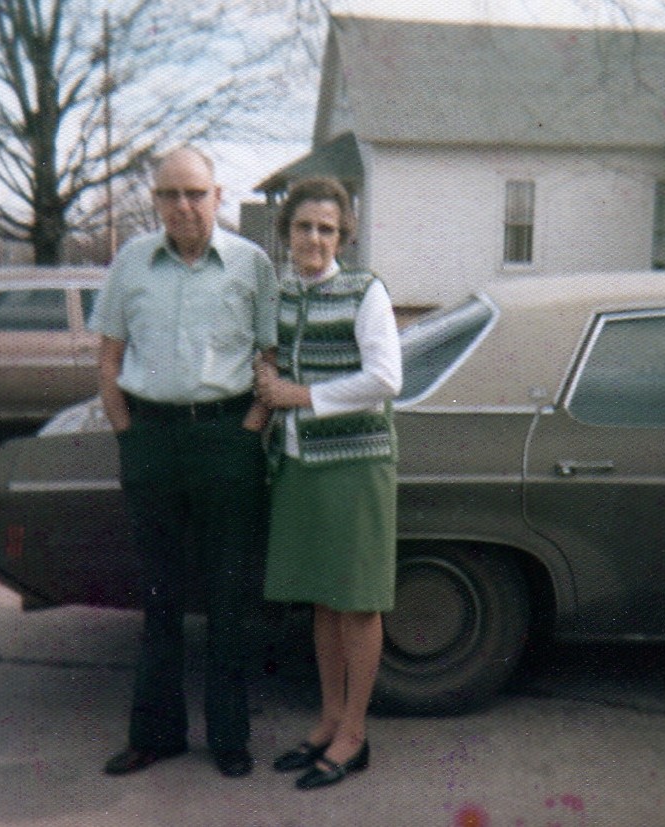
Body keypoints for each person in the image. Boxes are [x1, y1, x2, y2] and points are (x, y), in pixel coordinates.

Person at [92, 145, 277, 779]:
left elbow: (269, 360)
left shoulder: (251, 264)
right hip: (152, 440)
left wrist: (249, 431)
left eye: (195, 193)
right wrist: (128, 435)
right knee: (159, 595)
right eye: (170, 194)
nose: (184, 206)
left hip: (227, 438)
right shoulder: (131, 262)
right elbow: (109, 359)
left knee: (229, 597)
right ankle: (155, 735)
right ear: (156, 201)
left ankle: (229, 737)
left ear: (217, 197)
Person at [254, 176, 402, 791]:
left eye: (326, 229)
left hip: (355, 466)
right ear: (286, 232)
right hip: (299, 464)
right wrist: (266, 375)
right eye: (303, 227)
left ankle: (355, 736)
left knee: (357, 601)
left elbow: (386, 378)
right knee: (322, 598)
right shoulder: (283, 292)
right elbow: (267, 358)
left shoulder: (366, 291)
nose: (313, 239)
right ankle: (329, 720)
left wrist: (300, 395)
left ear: (343, 237)